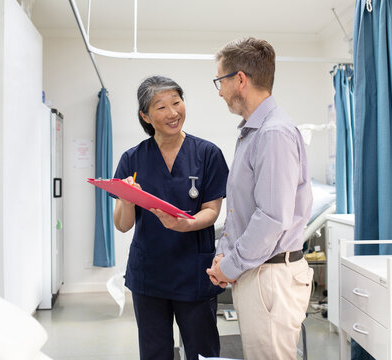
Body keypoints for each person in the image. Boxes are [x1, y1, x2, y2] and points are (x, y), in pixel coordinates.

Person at [206, 37, 314, 359]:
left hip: (271, 277)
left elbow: (271, 218)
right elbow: (244, 210)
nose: (220, 91)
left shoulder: (273, 133)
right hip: (257, 272)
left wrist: (231, 266)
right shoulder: (253, 132)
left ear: (240, 80)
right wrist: (224, 255)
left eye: (220, 82)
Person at [112, 75, 229, 360]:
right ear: (146, 115)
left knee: (203, 351)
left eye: (176, 102)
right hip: (149, 274)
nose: (173, 112)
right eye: (161, 106)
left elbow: (212, 211)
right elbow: (123, 225)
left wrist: (186, 224)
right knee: (154, 353)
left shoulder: (208, 154)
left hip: (194, 271)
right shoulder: (132, 158)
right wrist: (127, 199)